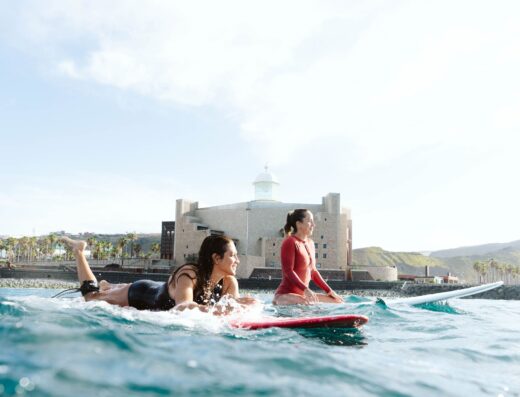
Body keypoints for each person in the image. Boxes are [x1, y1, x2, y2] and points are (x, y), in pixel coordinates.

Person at [58, 235, 257, 312]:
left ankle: (108, 285)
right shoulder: (190, 274)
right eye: (233, 256)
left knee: (102, 292)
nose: (237, 261)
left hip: (159, 289)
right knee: (91, 297)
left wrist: (242, 305)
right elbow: (183, 307)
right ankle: (79, 251)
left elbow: (230, 309)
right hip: (141, 294)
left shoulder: (230, 282)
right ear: (216, 258)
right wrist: (218, 311)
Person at [273, 209, 343, 305]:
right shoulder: (290, 242)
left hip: (302, 296)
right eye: (310, 221)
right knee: (307, 303)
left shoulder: (311, 243)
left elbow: (313, 272)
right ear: (299, 224)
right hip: (284, 296)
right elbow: (288, 271)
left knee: (337, 302)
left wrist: (329, 291)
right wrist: (305, 289)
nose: (313, 225)